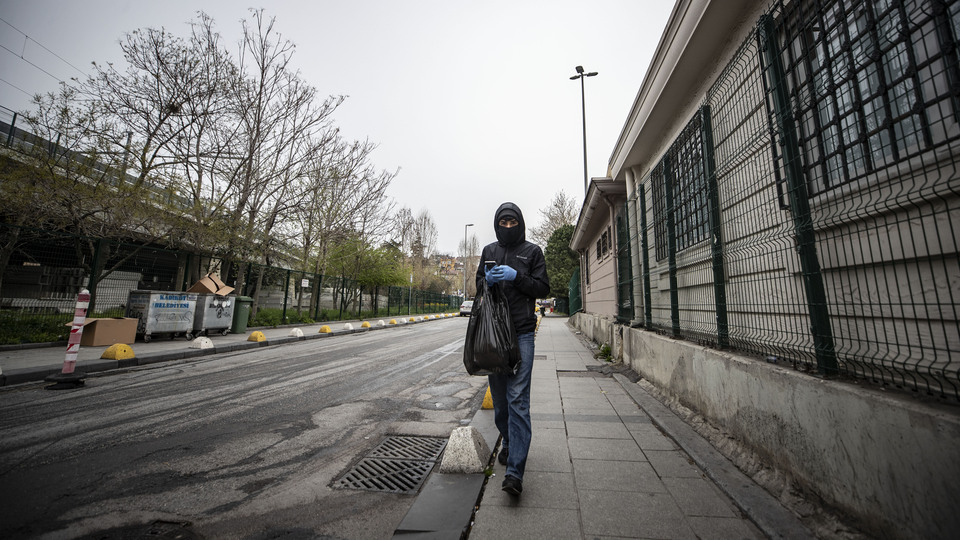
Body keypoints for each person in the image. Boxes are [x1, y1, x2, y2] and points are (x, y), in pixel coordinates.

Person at [475, 202, 550, 496]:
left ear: (520, 223)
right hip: (494, 337)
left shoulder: (532, 252)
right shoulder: (489, 251)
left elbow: (542, 288)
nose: (508, 227)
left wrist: (516, 277)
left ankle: (515, 472)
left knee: (518, 399)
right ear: (497, 225)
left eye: (512, 222)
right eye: (503, 223)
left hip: (521, 335)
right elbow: (479, 285)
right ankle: (508, 441)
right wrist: (487, 280)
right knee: (502, 405)